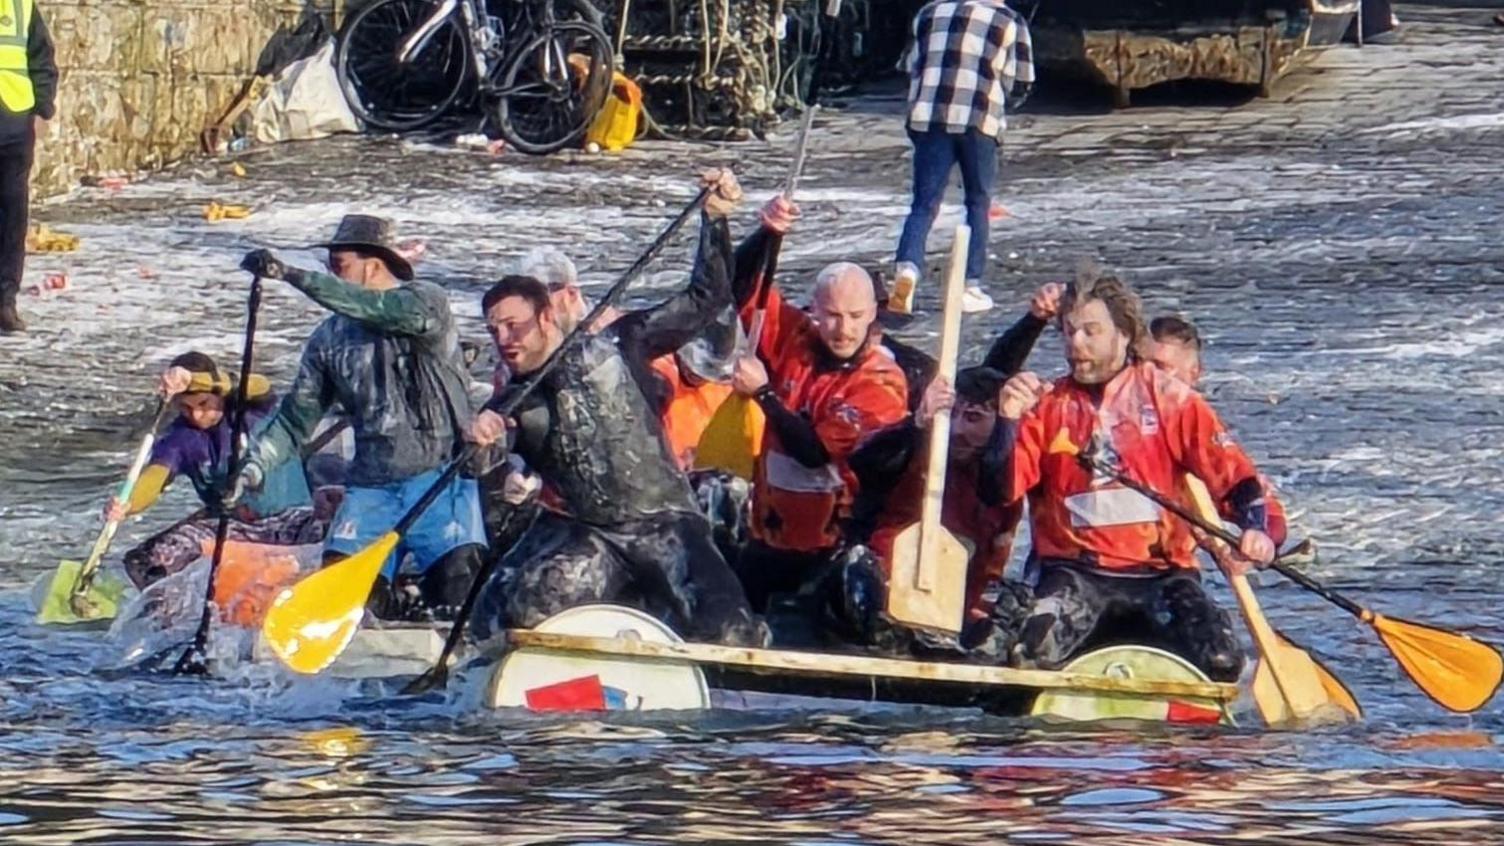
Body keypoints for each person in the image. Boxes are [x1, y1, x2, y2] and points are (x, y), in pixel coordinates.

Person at [466, 169, 764, 647]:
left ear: (547, 316)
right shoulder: (509, 403)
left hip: (665, 521)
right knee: (511, 609)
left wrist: (714, 221)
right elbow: (483, 469)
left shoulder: (619, 344)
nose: (504, 340)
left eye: (513, 325)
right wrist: (478, 439)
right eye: (493, 330)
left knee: (729, 631)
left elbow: (706, 301)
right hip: (590, 535)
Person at [994, 269, 1284, 682]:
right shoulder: (1046, 406)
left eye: (1091, 332)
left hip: (1161, 577)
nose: (1076, 345)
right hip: (1074, 575)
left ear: (1124, 335)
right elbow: (999, 490)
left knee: (1221, 662)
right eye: (1069, 332)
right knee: (1026, 653)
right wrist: (1006, 422)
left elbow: (1237, 480)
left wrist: (1257, 531)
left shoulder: (1173, 401)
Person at [237, 214, 484, 620]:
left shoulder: (425, 302)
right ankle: (387, 630)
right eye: (329, 268)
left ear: (374, 264)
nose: (332, 277)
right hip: (371, 488)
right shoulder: (328, 340)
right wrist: (250, 470)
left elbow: (376, 309)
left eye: (340, 266)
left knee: (457, 591)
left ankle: (436, 629)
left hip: (441, 477)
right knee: (347, 605)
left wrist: (291, 275)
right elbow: (293, 422)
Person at [728, 197, 909, 616]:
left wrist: (764, 395)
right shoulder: (797, 339)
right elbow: (739, 285)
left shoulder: (881, 382)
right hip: (770, 536)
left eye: (853, 316)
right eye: (830, 315)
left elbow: (814, 453)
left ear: (872, 318)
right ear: (814, 312)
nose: (842, 329)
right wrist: (767, 234)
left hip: (834, 547)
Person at [105, 353, 320, 589]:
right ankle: (176, 617)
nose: (196, 415)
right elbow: (155, 475)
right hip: (237, 528)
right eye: (186, 408)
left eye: (204, 404)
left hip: (296, 519)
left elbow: (262, 385)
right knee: (144, 561)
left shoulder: (255, 407)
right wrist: (127, 503)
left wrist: (196, 381)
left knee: (339, 528)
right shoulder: (179, 439)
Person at [890, 0, 1034, 316]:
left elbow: (908, 64)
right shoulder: (1008, 21)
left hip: (929, 119)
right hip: (979, 122)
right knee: (977, 203)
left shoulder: (928, 12)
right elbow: (1021, 80)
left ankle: (907, 270)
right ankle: (969, 285)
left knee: (924, 204)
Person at [0, 0, 57, 333]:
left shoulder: (21, 6)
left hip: (14, 127)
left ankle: (4, 302)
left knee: (11, 219)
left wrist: (42, 110)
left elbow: (42, 60)